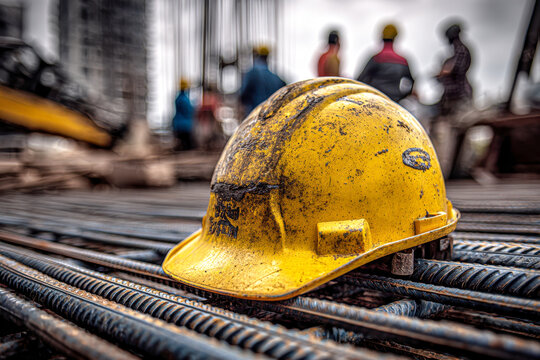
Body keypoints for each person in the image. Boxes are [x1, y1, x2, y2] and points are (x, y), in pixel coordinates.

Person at [356, 24, 414, 102]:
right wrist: (402, 96)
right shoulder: (403, 61)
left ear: (382, 37)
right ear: (395, 37)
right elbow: (411, 81)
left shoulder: (376, 58)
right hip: (394, 101)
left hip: (376, 99)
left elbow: (360, 79)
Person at [436, 23, 473, 116]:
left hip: (460, 97)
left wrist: (444, 71)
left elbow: (455, 69)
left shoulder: (461, 50)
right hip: (451, 98)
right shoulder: (455, 53)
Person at [240, 46, 286, 115]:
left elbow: (243, 95)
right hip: (273, 117)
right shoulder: (276, 78)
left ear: (256, 56)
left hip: (256, 116)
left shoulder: (253, 72)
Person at [172, 78, 195, 151]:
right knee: (187, 147)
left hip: (178, 125)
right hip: (185, 126)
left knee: (183, 145)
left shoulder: (178, 98)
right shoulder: (185, 99)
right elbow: (189, 111)